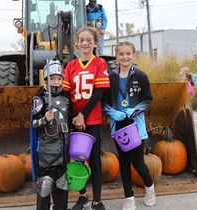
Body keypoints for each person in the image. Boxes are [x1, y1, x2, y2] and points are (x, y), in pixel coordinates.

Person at [102, 41, 156, 210]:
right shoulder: (111, 78)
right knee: (124, 164)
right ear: (116, 56)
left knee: (139, 163)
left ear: (133, 55)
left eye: (128, 54)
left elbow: (148, 99)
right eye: (121, 54)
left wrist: (135, 110)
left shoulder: (141, 76)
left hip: (135, 124)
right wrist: (113, 113)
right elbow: (103, 102)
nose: (125, 57)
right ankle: (129, 198)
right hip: (119, 125)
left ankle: (150, 189)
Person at [63, 27, 110, 210]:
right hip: (75, 120)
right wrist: (75, 117)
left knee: (95, 161)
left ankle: (97, 201)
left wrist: (83, 115)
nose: (85, 43)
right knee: (77, 160)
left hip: (91, 120)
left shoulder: (99, 63)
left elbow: (98, 92)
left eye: (89, 40)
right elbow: (66, 94)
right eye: (81, 40)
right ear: (77, 42)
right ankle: (82, 196)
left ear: (95, 43)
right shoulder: (70, 66)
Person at [30, 58, 71, 210]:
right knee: (45, 186)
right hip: (46, 154)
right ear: (46, 79)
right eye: (52, 78)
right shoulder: (39, 99)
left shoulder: (66, 98)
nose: (55, 81)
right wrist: (44, 120)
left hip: (62, 152)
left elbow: (69, 124)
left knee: (62, 187)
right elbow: (33, 125)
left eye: (58, 78)